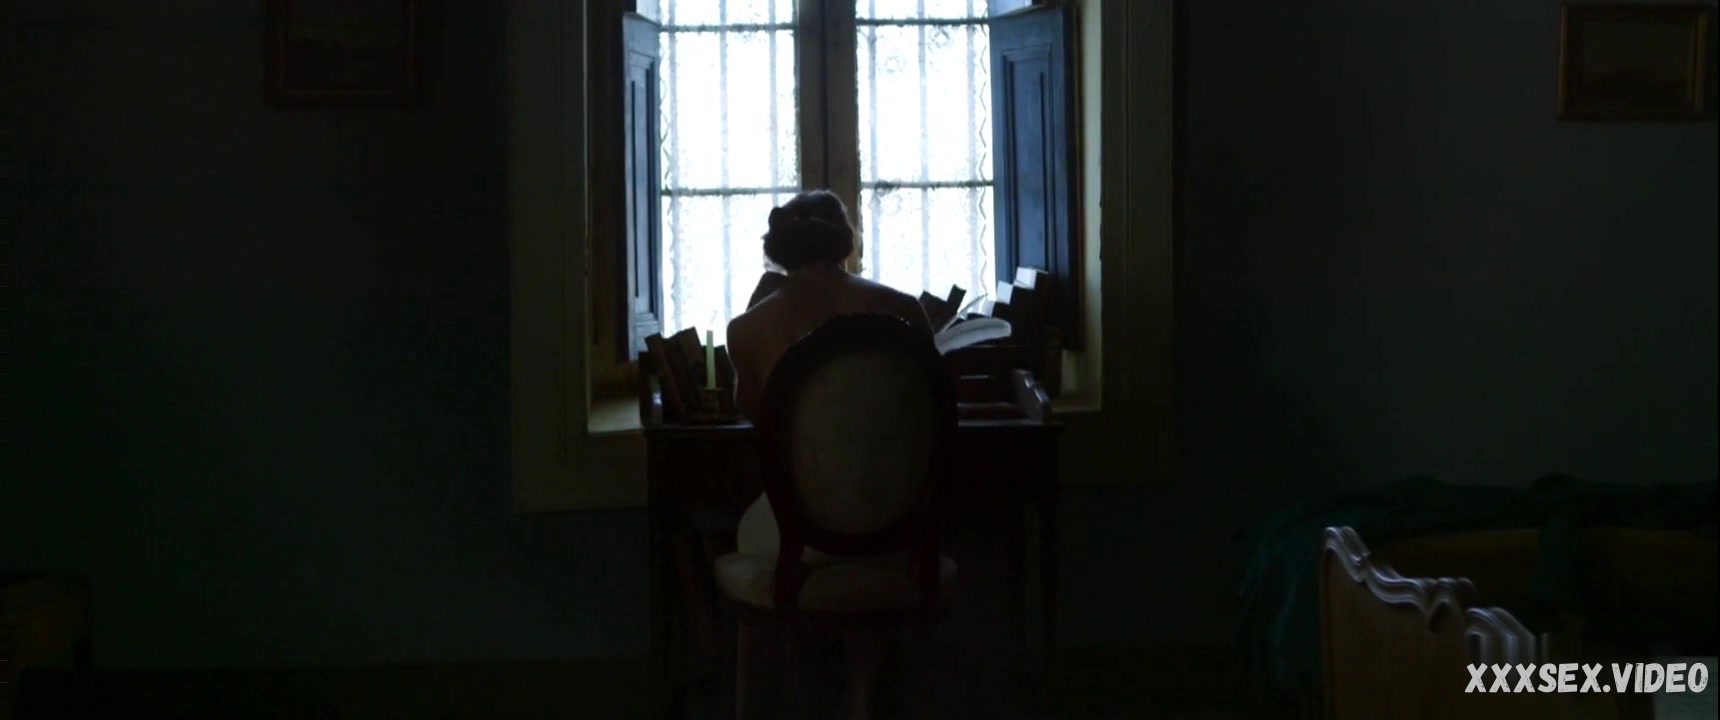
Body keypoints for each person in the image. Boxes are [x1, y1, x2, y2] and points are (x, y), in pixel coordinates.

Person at [723, 190, 932, 720]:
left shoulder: (749, 328)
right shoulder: (904, 310)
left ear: (781, 244)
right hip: (895, 526)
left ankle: (781, 695)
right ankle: (861, 694)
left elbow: (757, 420)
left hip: (800, 533)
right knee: (868, 498)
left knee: (750, 525)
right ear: (845, 239)